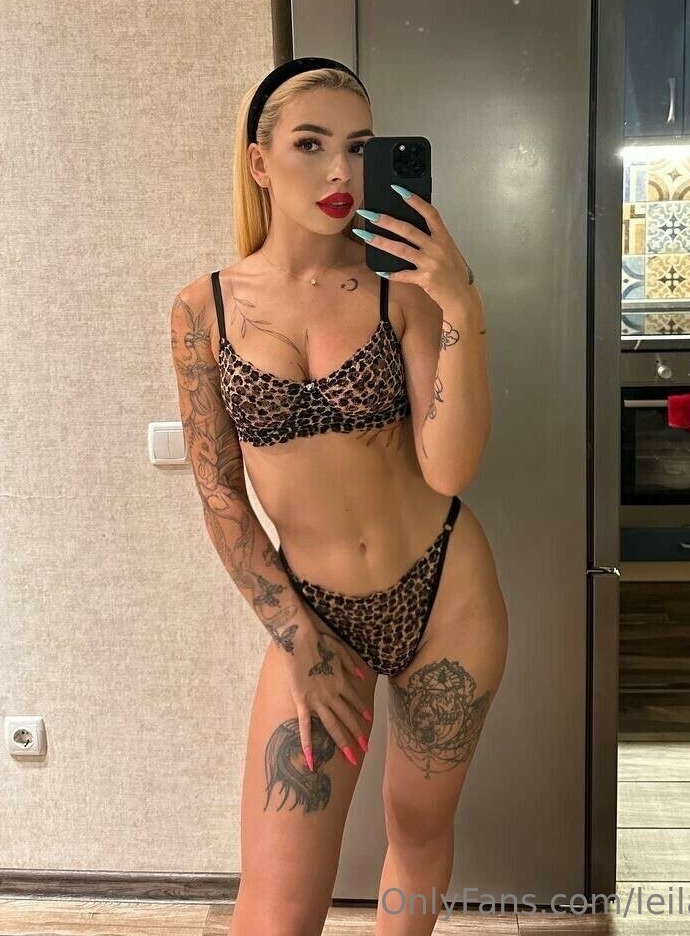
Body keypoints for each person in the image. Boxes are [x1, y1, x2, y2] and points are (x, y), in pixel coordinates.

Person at [170, 57, 509, 936]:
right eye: (310, 144)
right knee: (277, 903)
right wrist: (296, 637)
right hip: (315, 612)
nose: (340, 171)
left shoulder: (402, 288)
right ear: (259, 162)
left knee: (417, 832)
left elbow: (449, 468)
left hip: (444, 594)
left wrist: (461, 304)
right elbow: (220, 495)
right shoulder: (205, 309)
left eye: (359, 147)